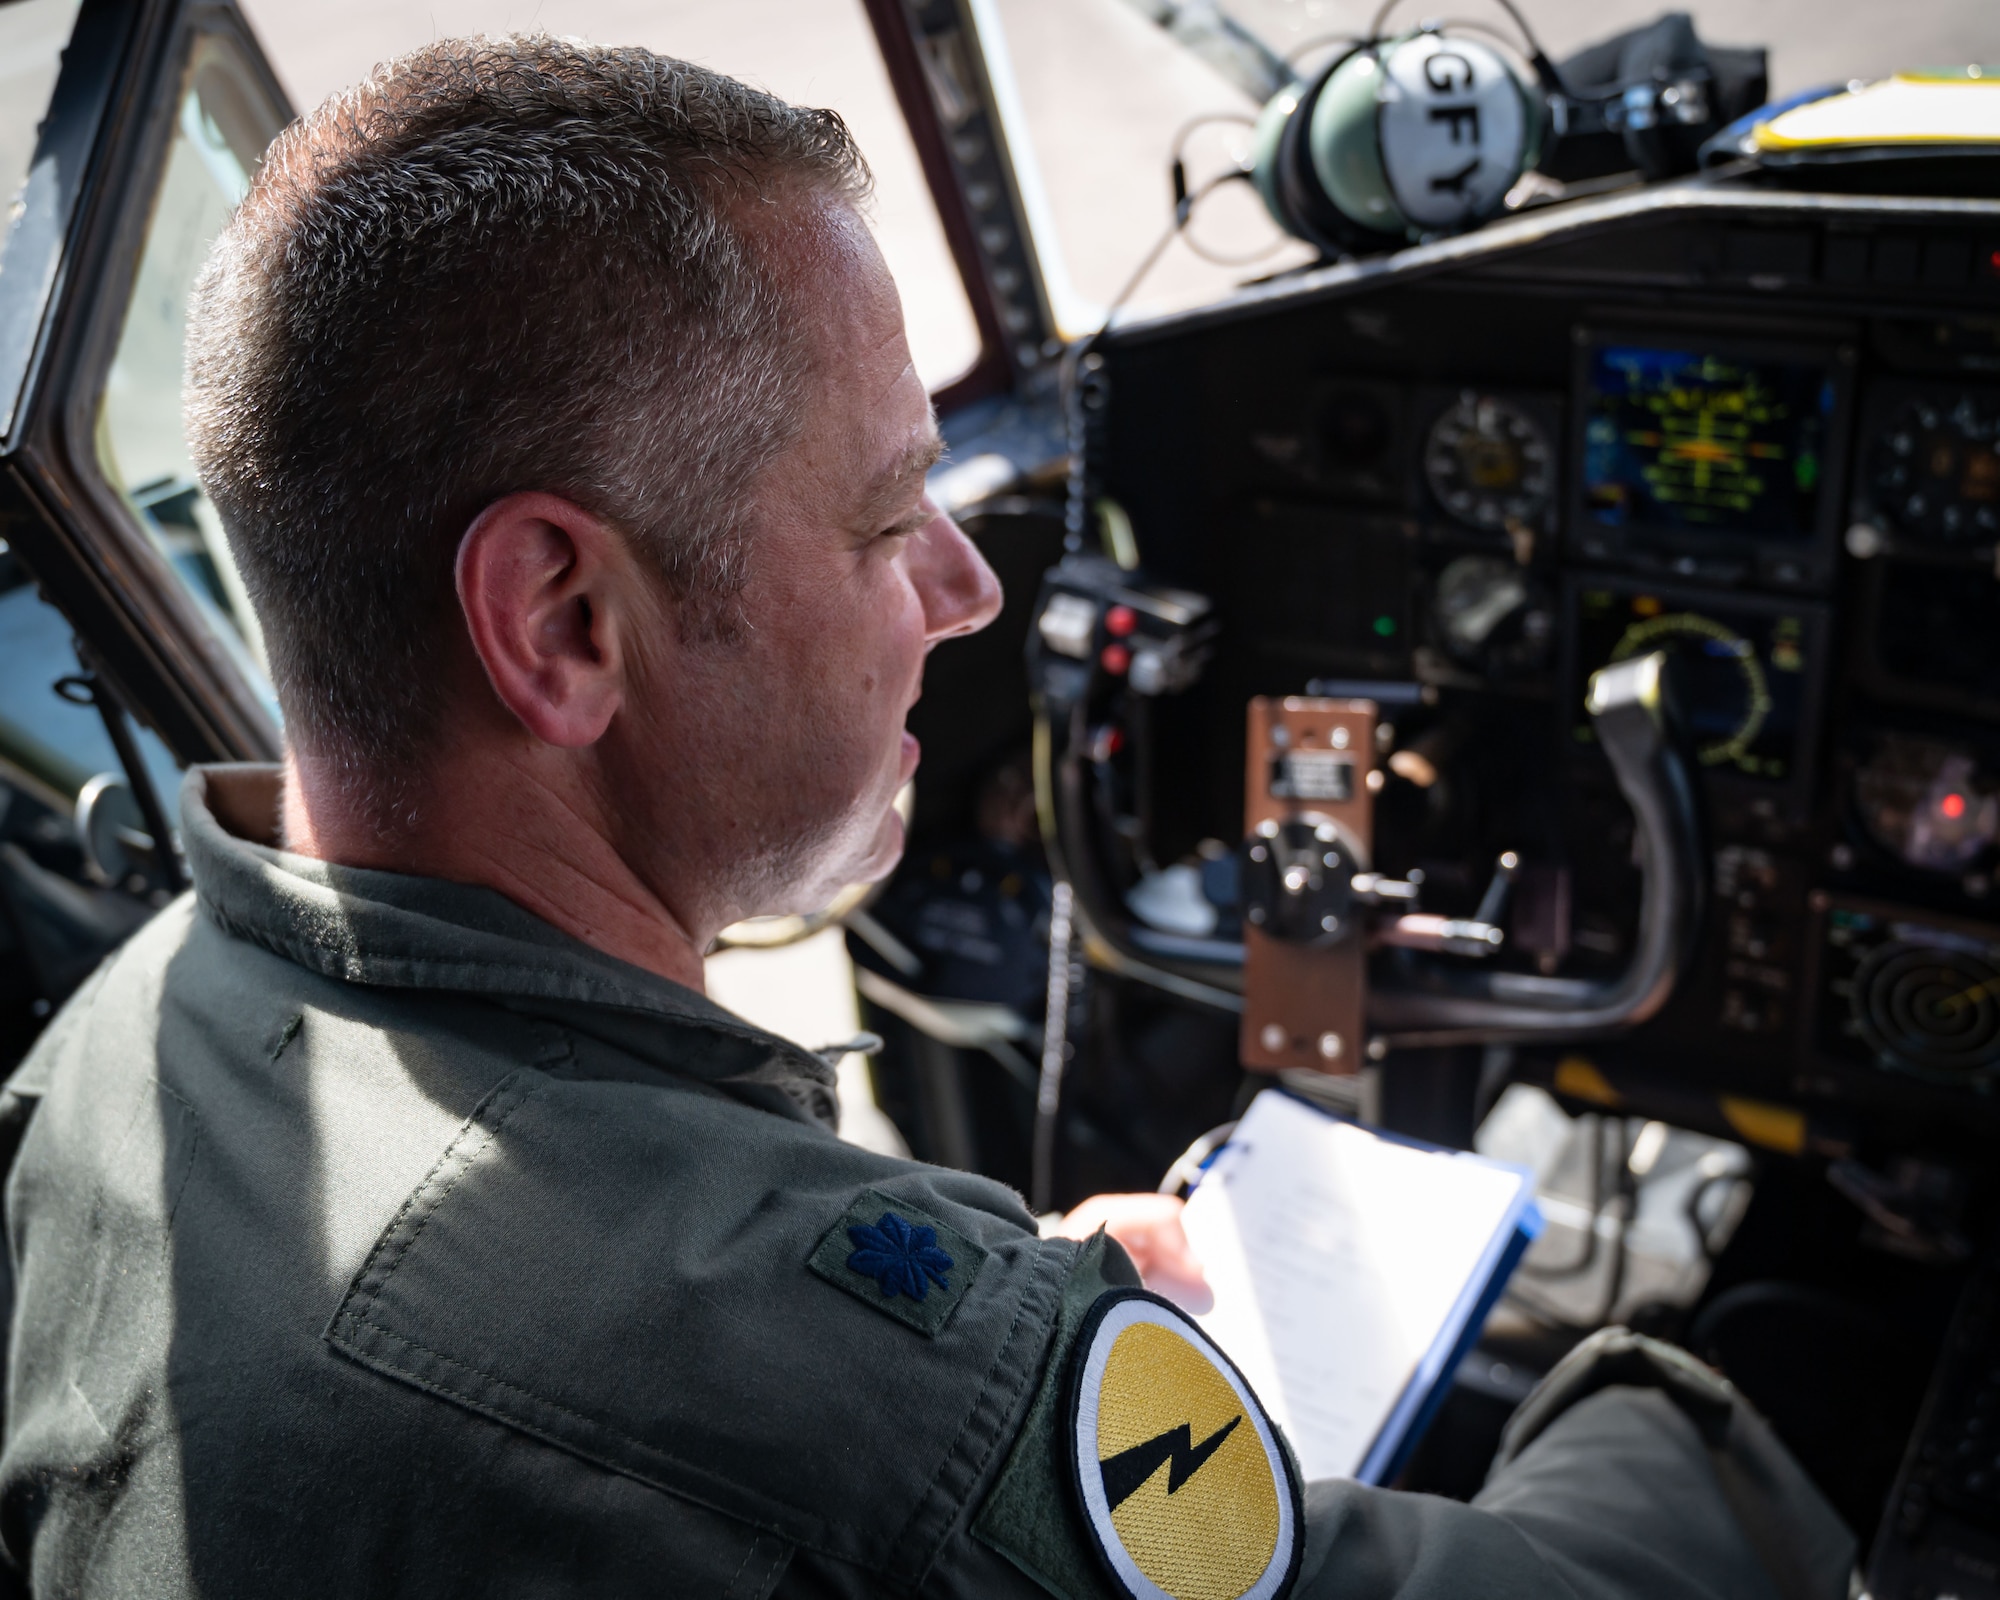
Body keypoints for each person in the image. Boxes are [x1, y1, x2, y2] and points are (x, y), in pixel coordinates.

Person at [0, 35, 1854, 1600]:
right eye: (892, 523)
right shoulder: (865, 1416)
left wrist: (1005, 1302)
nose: (969, 589)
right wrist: (1744, 1373)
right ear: (564, 624)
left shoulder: (115, 1042)